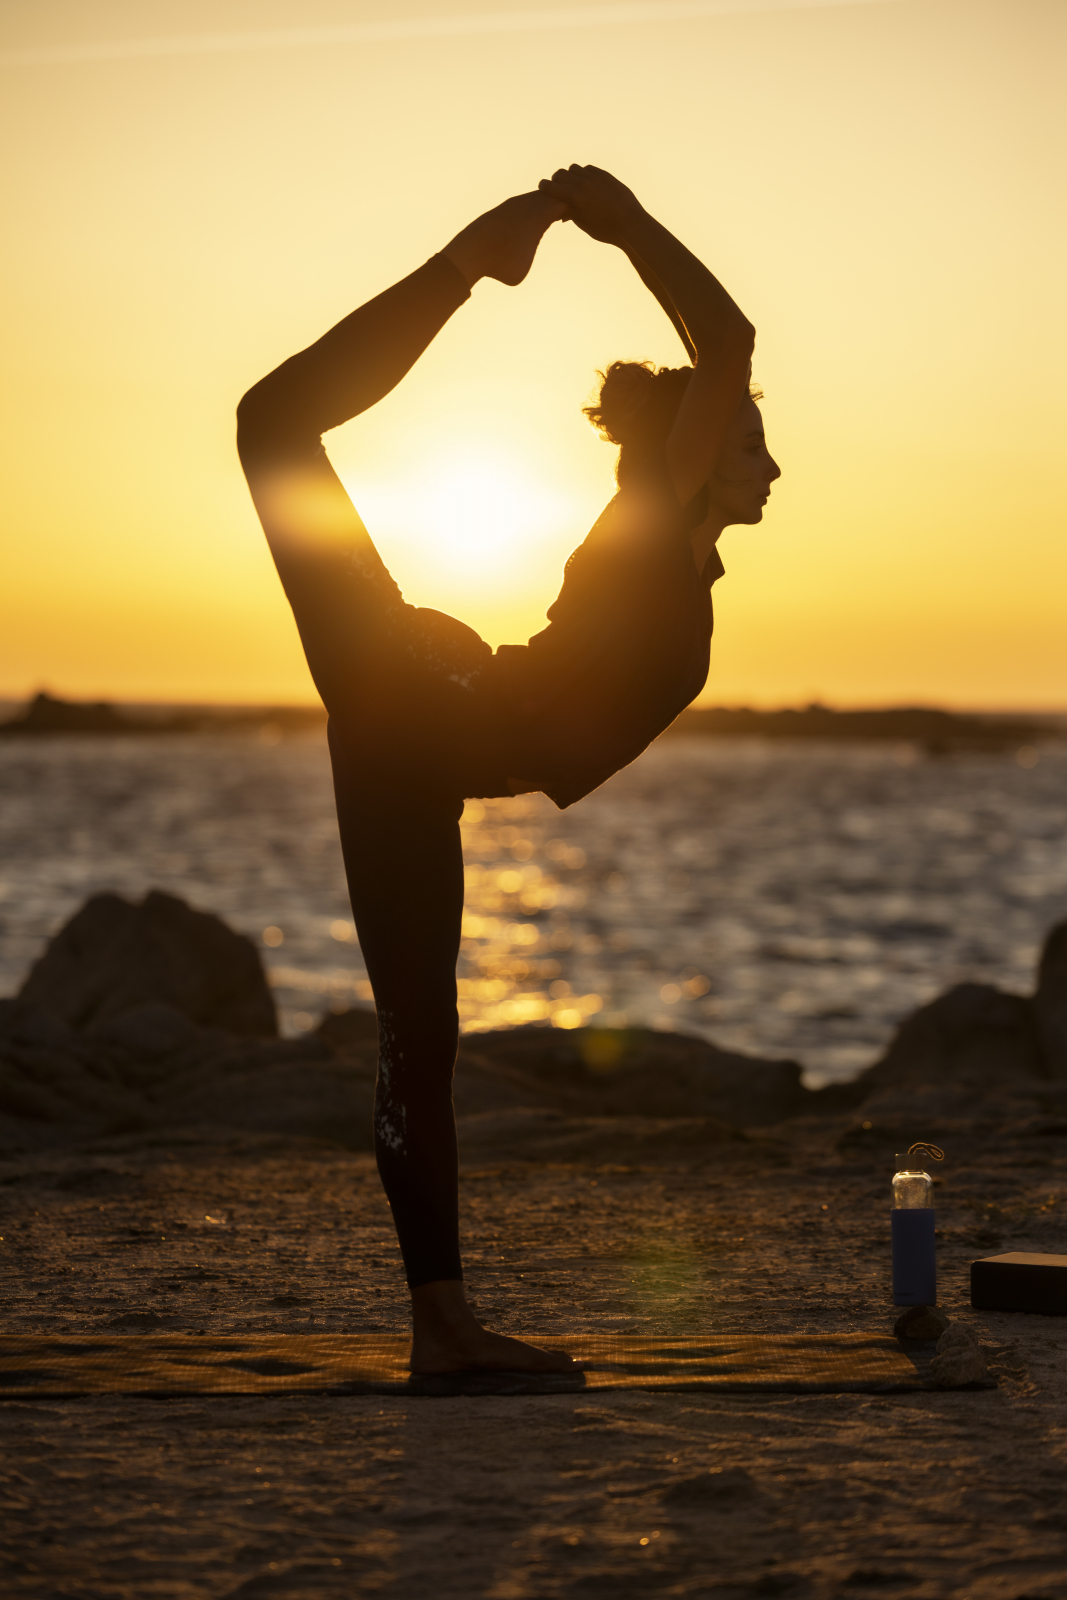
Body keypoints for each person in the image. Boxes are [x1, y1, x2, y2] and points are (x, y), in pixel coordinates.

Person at [236, 166, 780, 1375]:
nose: (772, 466)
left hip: (418, 730)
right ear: (692, 445)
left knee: (416, 1031)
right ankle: (468, 264)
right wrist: (622, 221)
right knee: (272, 422)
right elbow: (727, 335)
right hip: (415, 706)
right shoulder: (656, 502)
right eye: (748, 434)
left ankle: (442, 1329)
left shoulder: (665, 542)